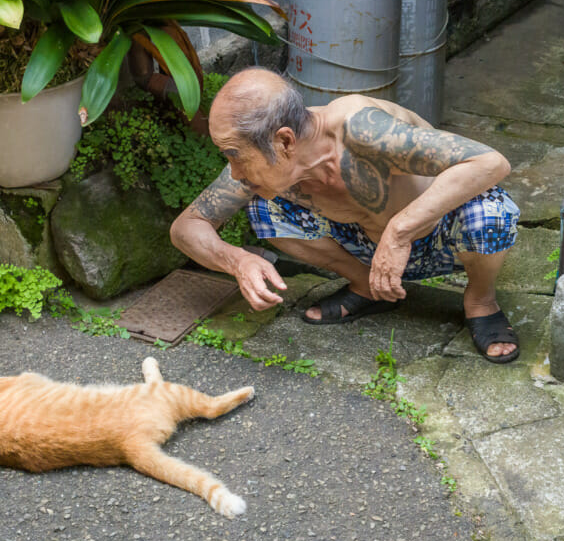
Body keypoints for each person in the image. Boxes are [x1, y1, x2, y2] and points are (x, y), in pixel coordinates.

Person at [170, 67, 522, 363]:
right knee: (263, 207)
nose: (232, 171)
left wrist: (399, 232)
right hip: (368, 250)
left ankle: (480, 299)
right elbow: (186, 227)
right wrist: (238, 261)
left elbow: (490, 162)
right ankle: (368, 285)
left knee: (490, 213)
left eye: (235, 156)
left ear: (285, 142)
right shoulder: (268, 166)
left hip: (435, 237)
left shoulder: (360, 129)